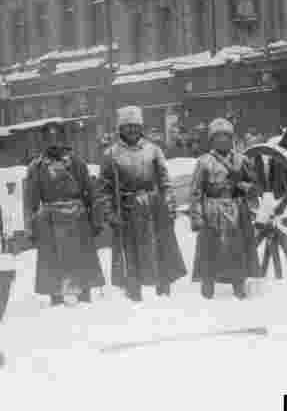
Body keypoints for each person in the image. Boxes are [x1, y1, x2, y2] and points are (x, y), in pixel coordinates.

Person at [100, 106, 187, 301]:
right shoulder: (110, 154)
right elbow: (103, 190)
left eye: (135, 126)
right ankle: (134, 294)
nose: (132, 130)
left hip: (154, 208)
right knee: (131, 253)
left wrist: (170, 206)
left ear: (141, 127)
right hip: (127, 210)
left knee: (160, 249)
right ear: (120, 129)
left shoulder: (153, 150)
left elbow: (165, 182)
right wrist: (110, 214)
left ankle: (164, 291)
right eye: (127, 126)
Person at [24, 122, 105, 306]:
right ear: (43, 142)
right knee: (52, 262)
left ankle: (85, 295)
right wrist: (30, 228)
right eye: (48, 139)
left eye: (57, 138)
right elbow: (30, 201)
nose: (54, 144)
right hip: (49, 220)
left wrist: (97, 220)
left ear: (64, 140)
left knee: (83, 259)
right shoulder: (36, 167)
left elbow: (90, 192)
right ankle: (56, 297)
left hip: (78, 218)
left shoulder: (77, 163)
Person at [188, 118, 260, 300]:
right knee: (210, 250)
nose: (222, 141)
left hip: (237, 210)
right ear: (211, 141)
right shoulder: (204, 162)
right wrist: (196, 217)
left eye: (226, 137)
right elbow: (195, 192)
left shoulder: (242, 160)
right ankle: (208, 284)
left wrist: (242, 186)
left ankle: (239, 284)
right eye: (217, 138)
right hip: (212, 210)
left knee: (237, 249)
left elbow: (254, 188)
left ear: (232, 139)